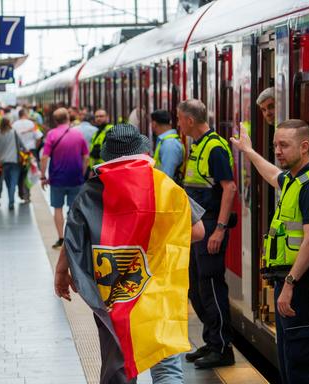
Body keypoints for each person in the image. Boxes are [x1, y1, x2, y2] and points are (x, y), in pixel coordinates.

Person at [54, 123, 206, 383]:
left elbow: (73, 239)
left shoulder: (91, 191)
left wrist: (61, 271)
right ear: (141, 150)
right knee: (167, 368)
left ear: (108, 156)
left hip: (113, 295)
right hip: (158, 291)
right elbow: (198, 231)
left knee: (118, 367)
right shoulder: (163, 186)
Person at [230, 119, 309, 384]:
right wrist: (249, 152)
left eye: (283, 145)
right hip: (288, 282)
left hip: (300, 283)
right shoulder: (293, 180)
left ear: (304, 147)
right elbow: (272, 174)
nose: (277, 150)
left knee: (302, 361)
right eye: (275, 144)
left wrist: (289, 283)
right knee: (289, 358)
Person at [178, 99, 237, 368]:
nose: (178, 124)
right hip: (197, 226)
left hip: (211, 225)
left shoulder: (214, 147)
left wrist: (220, 230)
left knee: (211, 288)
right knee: (196, 287)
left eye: (180, 119)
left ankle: (222, 348)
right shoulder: (198, 145)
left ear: (190, 120)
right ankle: (211, 341)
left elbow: (230, 188)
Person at [40, 108, 89, 249]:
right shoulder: (78, 134)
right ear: (68, 118)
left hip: (57, 179)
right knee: (74, 210)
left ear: (55, 120)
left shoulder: (52, 134)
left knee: (57, 208)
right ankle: (73, 239)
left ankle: (61, 238)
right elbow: (86, 157)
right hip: (76, 179)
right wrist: (82, 172)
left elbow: (44, 157)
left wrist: (43, 176)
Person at [13, 108, 43, 203]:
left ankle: (20, 192)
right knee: (28, 173)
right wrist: (36, 148)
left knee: (20, 172)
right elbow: (39, 137)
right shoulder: (32, 124)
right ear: (25, 114)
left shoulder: (14, 125)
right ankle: (27, 194)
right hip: (30, 151)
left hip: (18, 152)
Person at [0, 118, 25, 210]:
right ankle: (11, 202)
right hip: (14, 161)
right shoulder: (14, 132)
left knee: (8, 183)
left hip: (3, 163)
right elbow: (22, 145)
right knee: (13, 182)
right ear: (9, 123)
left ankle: (9, 199)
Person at [151, 109, 184, 181]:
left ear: (154, 124)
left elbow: (167, 176)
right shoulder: (166, 141)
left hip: (167, 190)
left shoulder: (169, 144)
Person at [88, 109, 113, 173]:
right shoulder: (97, 132)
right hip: (96, 169)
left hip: (104, 169)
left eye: (101, 116)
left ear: (107, 117)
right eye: (96, 117)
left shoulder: (110, 130)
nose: (98, 118)